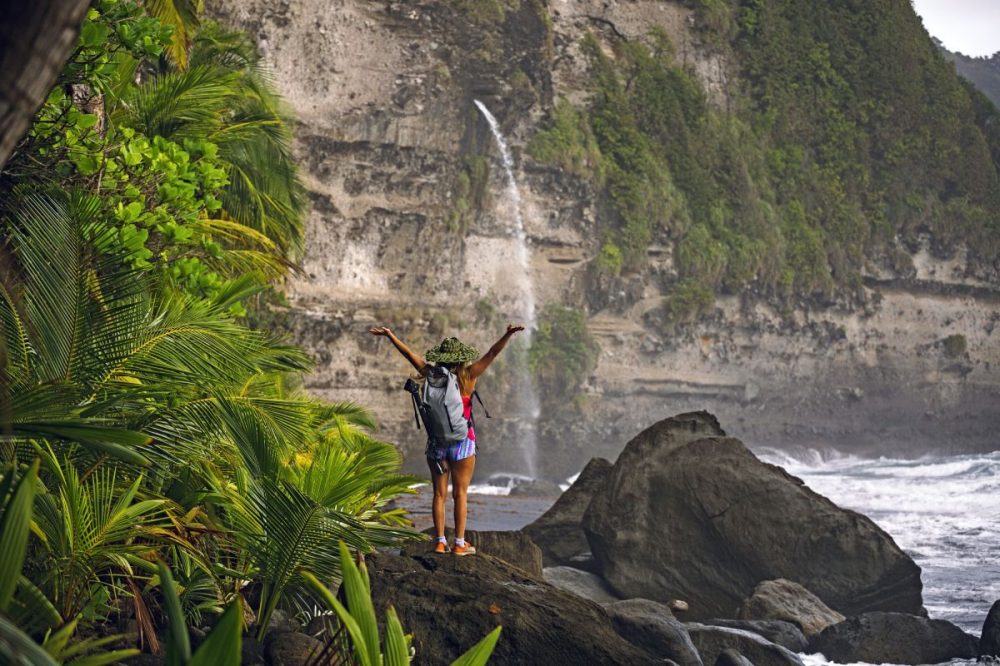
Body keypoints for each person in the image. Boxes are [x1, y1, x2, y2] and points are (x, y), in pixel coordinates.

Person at [368, 324, 524, 555]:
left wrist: (390, 335)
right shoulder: (469, 376)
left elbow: (408, 354)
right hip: (463, 444)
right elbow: (492, 353)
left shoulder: (431, 374)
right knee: (460, 494)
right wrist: (508, 334)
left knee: (439, 495)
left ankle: (440, 542)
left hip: (436, 446)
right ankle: (460, 544)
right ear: (461, 360)